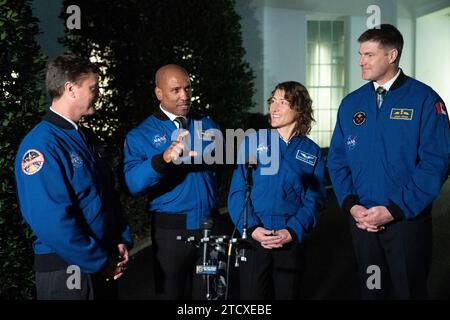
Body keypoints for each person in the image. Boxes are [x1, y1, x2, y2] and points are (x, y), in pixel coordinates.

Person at [328, 24, 450, 299]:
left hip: (406, 223)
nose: (361, 61)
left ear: (392, 55)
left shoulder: (424, 99)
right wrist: (351, 205)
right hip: (363, 225)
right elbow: (337, 160)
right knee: (372, 291)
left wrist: (396, 208)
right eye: (360, 54)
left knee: (408, 292)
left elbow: (436, 162)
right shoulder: (351, 104)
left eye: (369, 55)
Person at [14, 55, 132, 300]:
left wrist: (118, 239)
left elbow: (105, 196)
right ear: (70, 88)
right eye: (93, 88)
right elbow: (52, 222)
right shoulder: (41, 145)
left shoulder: (85, 137)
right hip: (67, 271)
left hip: (101, 261)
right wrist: (98, 261)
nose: (98, 93)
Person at [123, 64, 222, 299]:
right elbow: (132, 184)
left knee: (209, 297)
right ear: (159, 93)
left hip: (209, 227)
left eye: (187, 89)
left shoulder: (208, 125)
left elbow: (219, 172)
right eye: (176, 90)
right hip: (171, 232)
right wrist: (162, 160)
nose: (184, 96)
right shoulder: (140, 135)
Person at [227, 81, 326, 299]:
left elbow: (315, 199)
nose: (274, 107)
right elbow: (237, 192)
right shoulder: (252, 142)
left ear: (299, 108)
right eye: (273, 101)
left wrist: (291, 231)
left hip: (289, 239)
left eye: (283, 102)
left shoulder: (312, 152)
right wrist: (252, 228)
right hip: (254, 237)